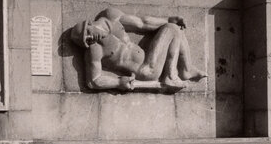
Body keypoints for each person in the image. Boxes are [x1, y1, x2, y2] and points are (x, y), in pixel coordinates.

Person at [70, 7, 207, 91]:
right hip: (146, 71)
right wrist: (118, 82)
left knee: (176, 28)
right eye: (86, 41)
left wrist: (168, 19)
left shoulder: (111, 16)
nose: (89, 39)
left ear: (89, 23)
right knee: (171, 28)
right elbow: (93, 81)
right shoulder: (95, 50)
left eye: (87, 34)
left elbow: (142, 23)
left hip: (149, 57)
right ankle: (171, 76)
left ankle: (185, 70)